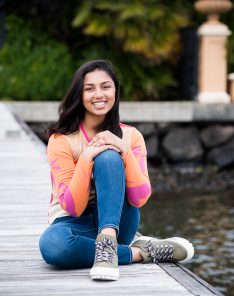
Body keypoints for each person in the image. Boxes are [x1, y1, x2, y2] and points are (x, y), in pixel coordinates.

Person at [39, 59, 194, 281]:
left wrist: (124, 151)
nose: (98, 94)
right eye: (89, 88)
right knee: (52, 246)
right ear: (79, 95)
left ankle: (108, 241)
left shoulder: (131, 136)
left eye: (105, 86)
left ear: (115, 91)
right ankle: (141, 252)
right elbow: (73, 208)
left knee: (110, 156)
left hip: (120, 221)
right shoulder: (61, 140)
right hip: (73, 223)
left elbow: (139, 199)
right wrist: (86, 158)